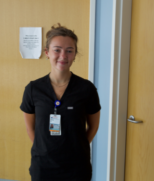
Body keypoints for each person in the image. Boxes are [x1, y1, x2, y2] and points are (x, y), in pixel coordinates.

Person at [21, 24, 100, 181]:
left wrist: (77, 147)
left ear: (75, 55)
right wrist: (46, 150)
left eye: (69, 51)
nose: (63, 56)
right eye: (57, 50)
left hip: (77, 166)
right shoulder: (33, 89)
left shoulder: (86, 89)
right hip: (43, 165)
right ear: (47, 53)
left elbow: (93, 126)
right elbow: (30, 128)